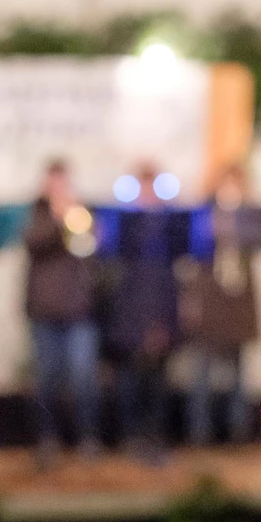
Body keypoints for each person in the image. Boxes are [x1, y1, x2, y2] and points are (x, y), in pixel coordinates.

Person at [24, 159, 102, 463]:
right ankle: (48, 440)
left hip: (78, 311)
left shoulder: (82, 212)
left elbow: (91, 249)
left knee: (84, 380)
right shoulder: (37, 213)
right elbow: (32, 243)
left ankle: (87, 439)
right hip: (44, 312)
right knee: (47, 381)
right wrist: (57, 219)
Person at [106, 163, 180, 457]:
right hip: (127, 322)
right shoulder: (124, 228)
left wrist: (163, 324)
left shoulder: (169, 230)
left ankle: (155, 437)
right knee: (129, 385)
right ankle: (131, 437)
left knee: (156, 386)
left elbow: (166, 286)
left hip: (157, 319)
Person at [181, 165, 259, 445]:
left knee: (236, 373)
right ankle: (199, 432)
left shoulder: (249, 219)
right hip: (210, 306)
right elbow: (194, 251)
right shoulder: (204, 216)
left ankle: (236, 432)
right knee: (201, 371)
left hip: (236, 309)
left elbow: (257, 242)